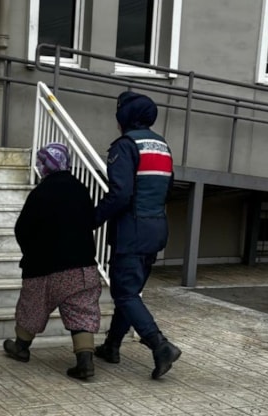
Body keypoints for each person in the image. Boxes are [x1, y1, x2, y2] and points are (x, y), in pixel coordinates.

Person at [93, 91, 182, 380]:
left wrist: (90, 220)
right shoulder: (161, 145)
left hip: (132, 231)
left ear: (124, 116)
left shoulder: (126, 146)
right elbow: (169, 189)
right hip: (156, 229)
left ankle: (160, 346)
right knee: (129, 292)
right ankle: (112, 346)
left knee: (125, 292)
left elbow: (120, 194)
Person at [2, 143, 102, 380]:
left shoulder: (41, 192)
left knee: (32, 308)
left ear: (46, 164)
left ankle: (21, 347)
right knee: (82, 311)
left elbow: (22, 229)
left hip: (45, 268)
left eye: (40, 162)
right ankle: (85, 360)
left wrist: (30, 253)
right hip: (81, 267)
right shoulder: (81, 188)